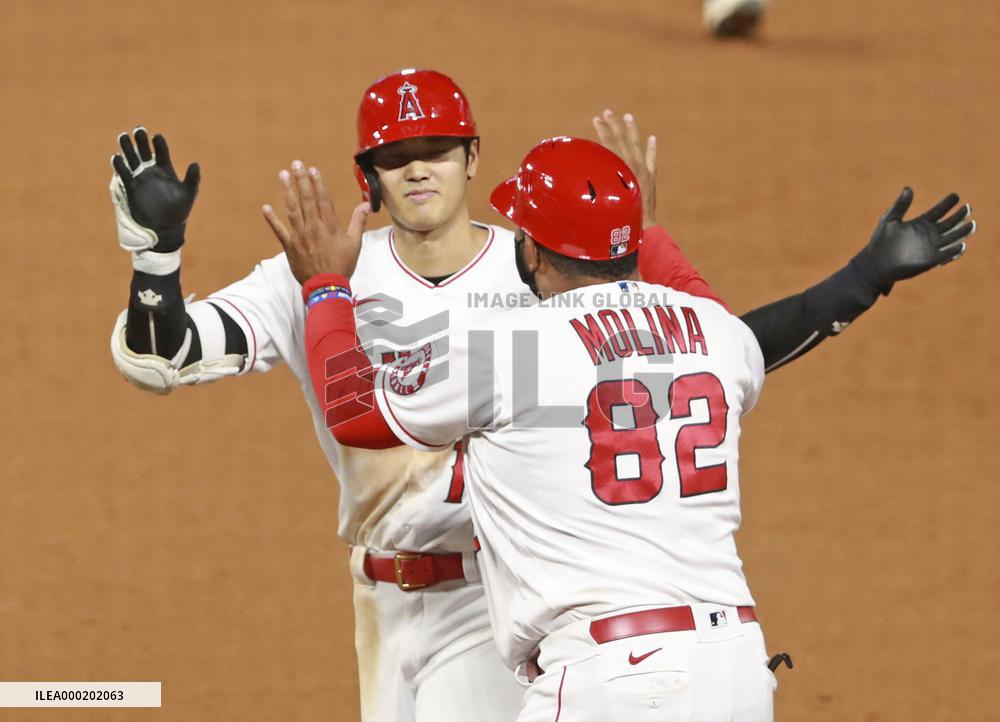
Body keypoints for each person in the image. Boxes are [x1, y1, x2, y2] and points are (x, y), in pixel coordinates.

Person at [107, 69, 975, 721]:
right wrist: (157, 259)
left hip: (502, 607)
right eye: (395, 157)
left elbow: (359, 415)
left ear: (473, 158)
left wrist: (325, 293)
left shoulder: (521, 307)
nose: (417, 172)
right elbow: (164, 356)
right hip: (386, 602)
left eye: (436, 151)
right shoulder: (317, 266)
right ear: (366, 171)